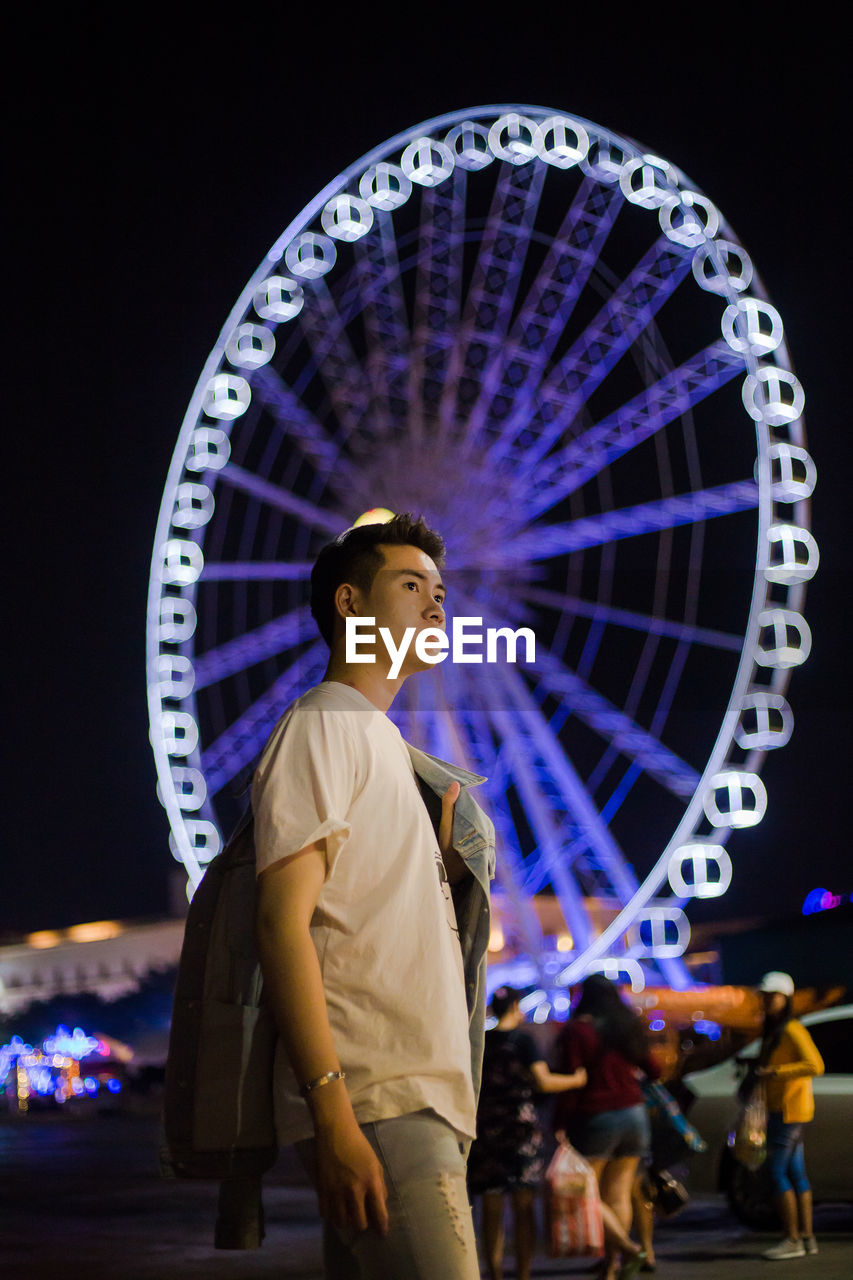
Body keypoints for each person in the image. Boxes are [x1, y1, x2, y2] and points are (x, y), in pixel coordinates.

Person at [253, 512, 492, 1279]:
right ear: (350, 604)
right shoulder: (322, 725)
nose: (435, 606)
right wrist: (331, 1113)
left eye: (440, 591)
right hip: (380, 1100)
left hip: (424, 1100)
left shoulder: (389, 749)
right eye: (410, 585)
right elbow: (281, 923)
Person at [467, 986, 588, 1280]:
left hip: (486, 1131)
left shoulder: (481, 1041)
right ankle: (522, 1273)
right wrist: (576, 1080)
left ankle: (494, 1273)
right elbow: (543, 1082)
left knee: (491, 1207)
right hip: (519, 1131)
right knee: (523, 1206)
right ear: (516, 1008)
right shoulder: (524, 1041)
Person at [552, 974, 659, 1280]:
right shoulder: (626, 1026)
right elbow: (654, 1068)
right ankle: (613, 1268)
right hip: (634, 1114)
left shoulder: (577, 1031)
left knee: (586, 1194)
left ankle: (627, 1249)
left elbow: (573, 1081)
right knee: (619, 1195)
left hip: (597, 1116)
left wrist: (560, 1122)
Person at [753, 971, 824, 1262]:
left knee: (776, 1173)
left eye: (773, 996)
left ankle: (791, 1238)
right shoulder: (777, 1029)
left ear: (786, 998)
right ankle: (806, 1238)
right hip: (786, 1109)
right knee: (795, 1174)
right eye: (765, 996)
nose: (768, 1001)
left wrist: (775, 1073)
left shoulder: (792, 1029)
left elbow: (815, 1065)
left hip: (789, 1110)